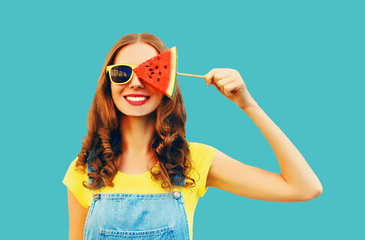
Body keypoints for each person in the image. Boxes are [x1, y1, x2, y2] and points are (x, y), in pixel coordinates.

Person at [63, 32, 322, 240]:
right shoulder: (85, 170)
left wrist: (248, 105)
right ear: (108, 83)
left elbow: (304, 187)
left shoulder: (193, 160)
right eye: (122, 72)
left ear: (169, 82)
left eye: (149, 71)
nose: (136, 82)